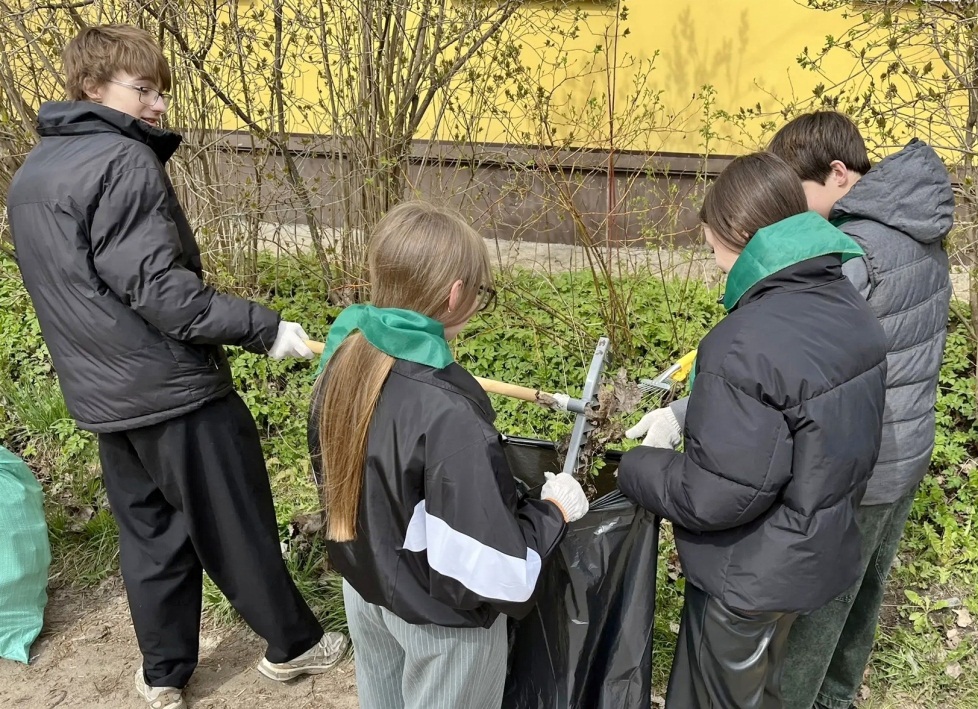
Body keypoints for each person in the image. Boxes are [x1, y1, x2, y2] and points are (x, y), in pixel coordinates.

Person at [6, 25, 344, 709]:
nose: (158, 104)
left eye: (161, 90)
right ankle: (294, 645)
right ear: (91, 87)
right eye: (143, 89)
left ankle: (163, 674)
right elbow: (162, 293)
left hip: (106, 400)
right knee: (235, 521)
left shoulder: (33, 172)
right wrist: (263, 326)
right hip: (174, 391)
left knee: (151, 536)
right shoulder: (122, 161)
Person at [618, 152, 888, 709]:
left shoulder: (740, 342)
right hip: (806, 553)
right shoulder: (846, 303)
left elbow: (715, 495)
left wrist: (637, 466)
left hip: (746, 574)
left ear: (741, 235)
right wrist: (682, 416)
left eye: (713, 246)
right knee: (760, 692)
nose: (716, 262)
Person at [308, 201, 589, 709]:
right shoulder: (449, 415)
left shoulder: (344, 359)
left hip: (366, 590)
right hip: (441, 626)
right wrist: (554, 512)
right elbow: (495, 572)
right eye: (480, 292)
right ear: (455, 294)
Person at [768, 113, 954, 709]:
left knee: (821, 605)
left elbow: (797, 359)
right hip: (908, 445)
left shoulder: (857, 248)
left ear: (838, 174)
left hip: (863, 461)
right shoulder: (917, 227)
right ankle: (837, 698)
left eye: (798, 194)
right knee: (865, 591)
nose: (793, 212)